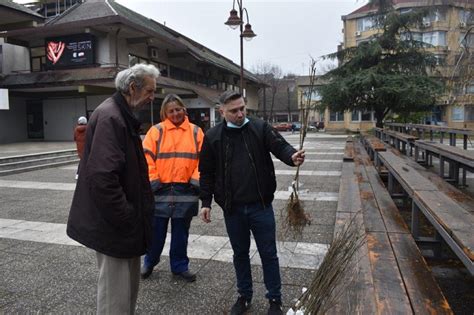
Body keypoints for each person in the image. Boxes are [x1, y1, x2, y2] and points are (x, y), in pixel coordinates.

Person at [199, 91, 305, 315]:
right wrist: (206, 202)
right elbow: (206, 172)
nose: (240, 114)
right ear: (222, 112)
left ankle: (274, 299)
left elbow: (280, 146)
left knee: (269, 254)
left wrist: (292, 156)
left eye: (242, 109)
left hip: (260, 206)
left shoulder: (259, 127)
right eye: (234, 111)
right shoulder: (213, 136)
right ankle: (244, 296)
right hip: (233, 209)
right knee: (240, 254)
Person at [67, 64, 159, 314]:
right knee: (115, 299)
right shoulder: (111, 116)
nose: (153, 97)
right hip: (115, 226)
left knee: (125, 293)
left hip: (120, 225)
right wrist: (127, 216)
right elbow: (103, 177)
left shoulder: (119, 114)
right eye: (150, 91)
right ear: (132, 88)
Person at [140, 94, 204, 282]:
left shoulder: (195, 131)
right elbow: (146, 158)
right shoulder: (156, 131)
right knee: (155, 231)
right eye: (171, 111)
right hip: (160, 188)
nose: (175, 113)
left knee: (181, 233)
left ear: (184, 109)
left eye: (178, 109)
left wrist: (195, 181)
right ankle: (149, 262)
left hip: (186, 188)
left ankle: (179, 266)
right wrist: (153, 181)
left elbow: (204, 160)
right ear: (165, 113)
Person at [73, 116, 87, 180]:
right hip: (86, 148)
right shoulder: (87, 128)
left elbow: (74, 138)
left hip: (79, 148)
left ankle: (78, 174)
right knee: (84, 161)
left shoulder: (76, 129)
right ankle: (79, 174)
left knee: (82, 161)